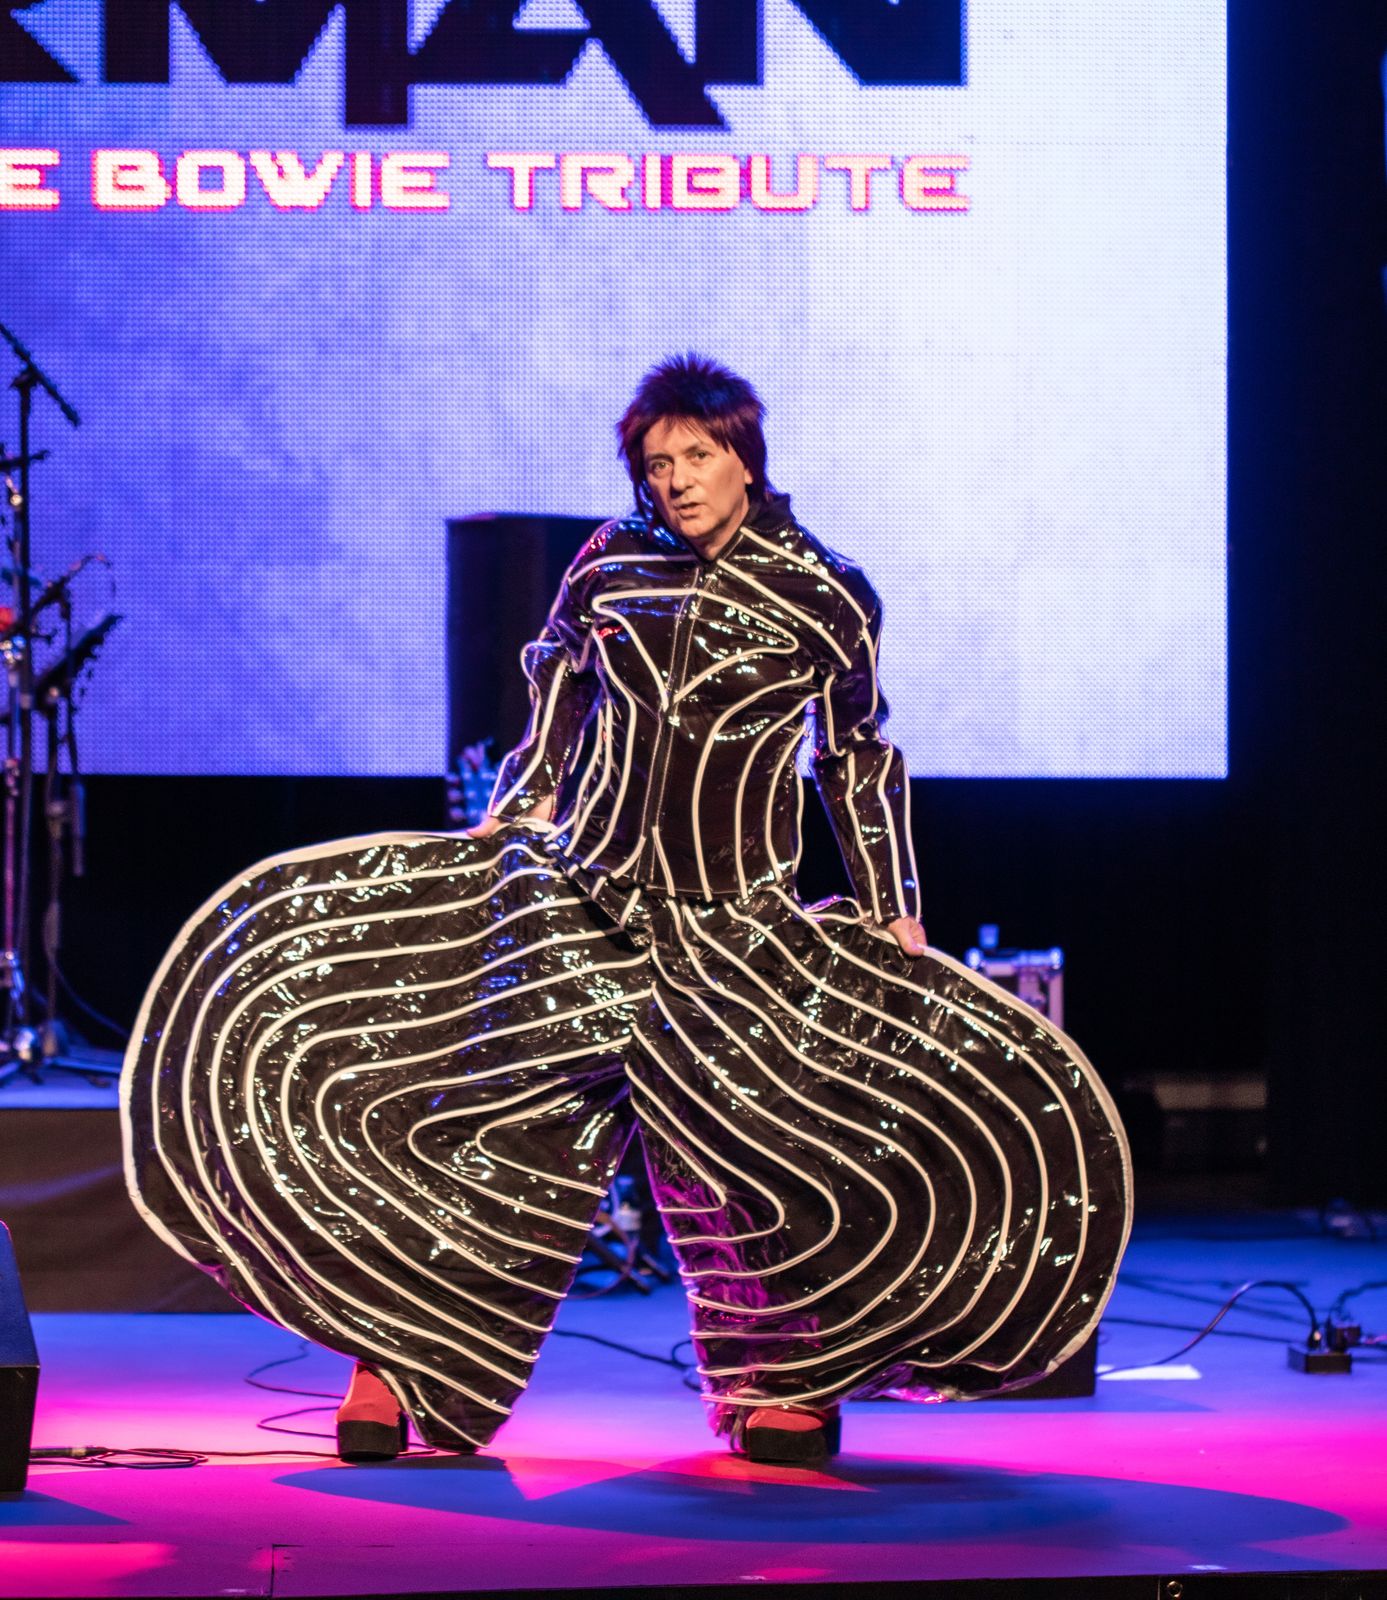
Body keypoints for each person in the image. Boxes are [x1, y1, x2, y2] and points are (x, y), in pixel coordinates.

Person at [122, 355, 1131, 1468]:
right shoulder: (608, 563)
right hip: (584, 899)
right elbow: (554, 700)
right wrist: (513, 819)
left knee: (766, 1147)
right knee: (467, 1115)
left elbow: (853, 755)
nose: (677, 480)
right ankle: (396, 1368)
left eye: (697, 455)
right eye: (657, 463)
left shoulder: (825, 591)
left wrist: (894, 908)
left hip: (731, 923)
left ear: (745, 457)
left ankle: (781, 1384)